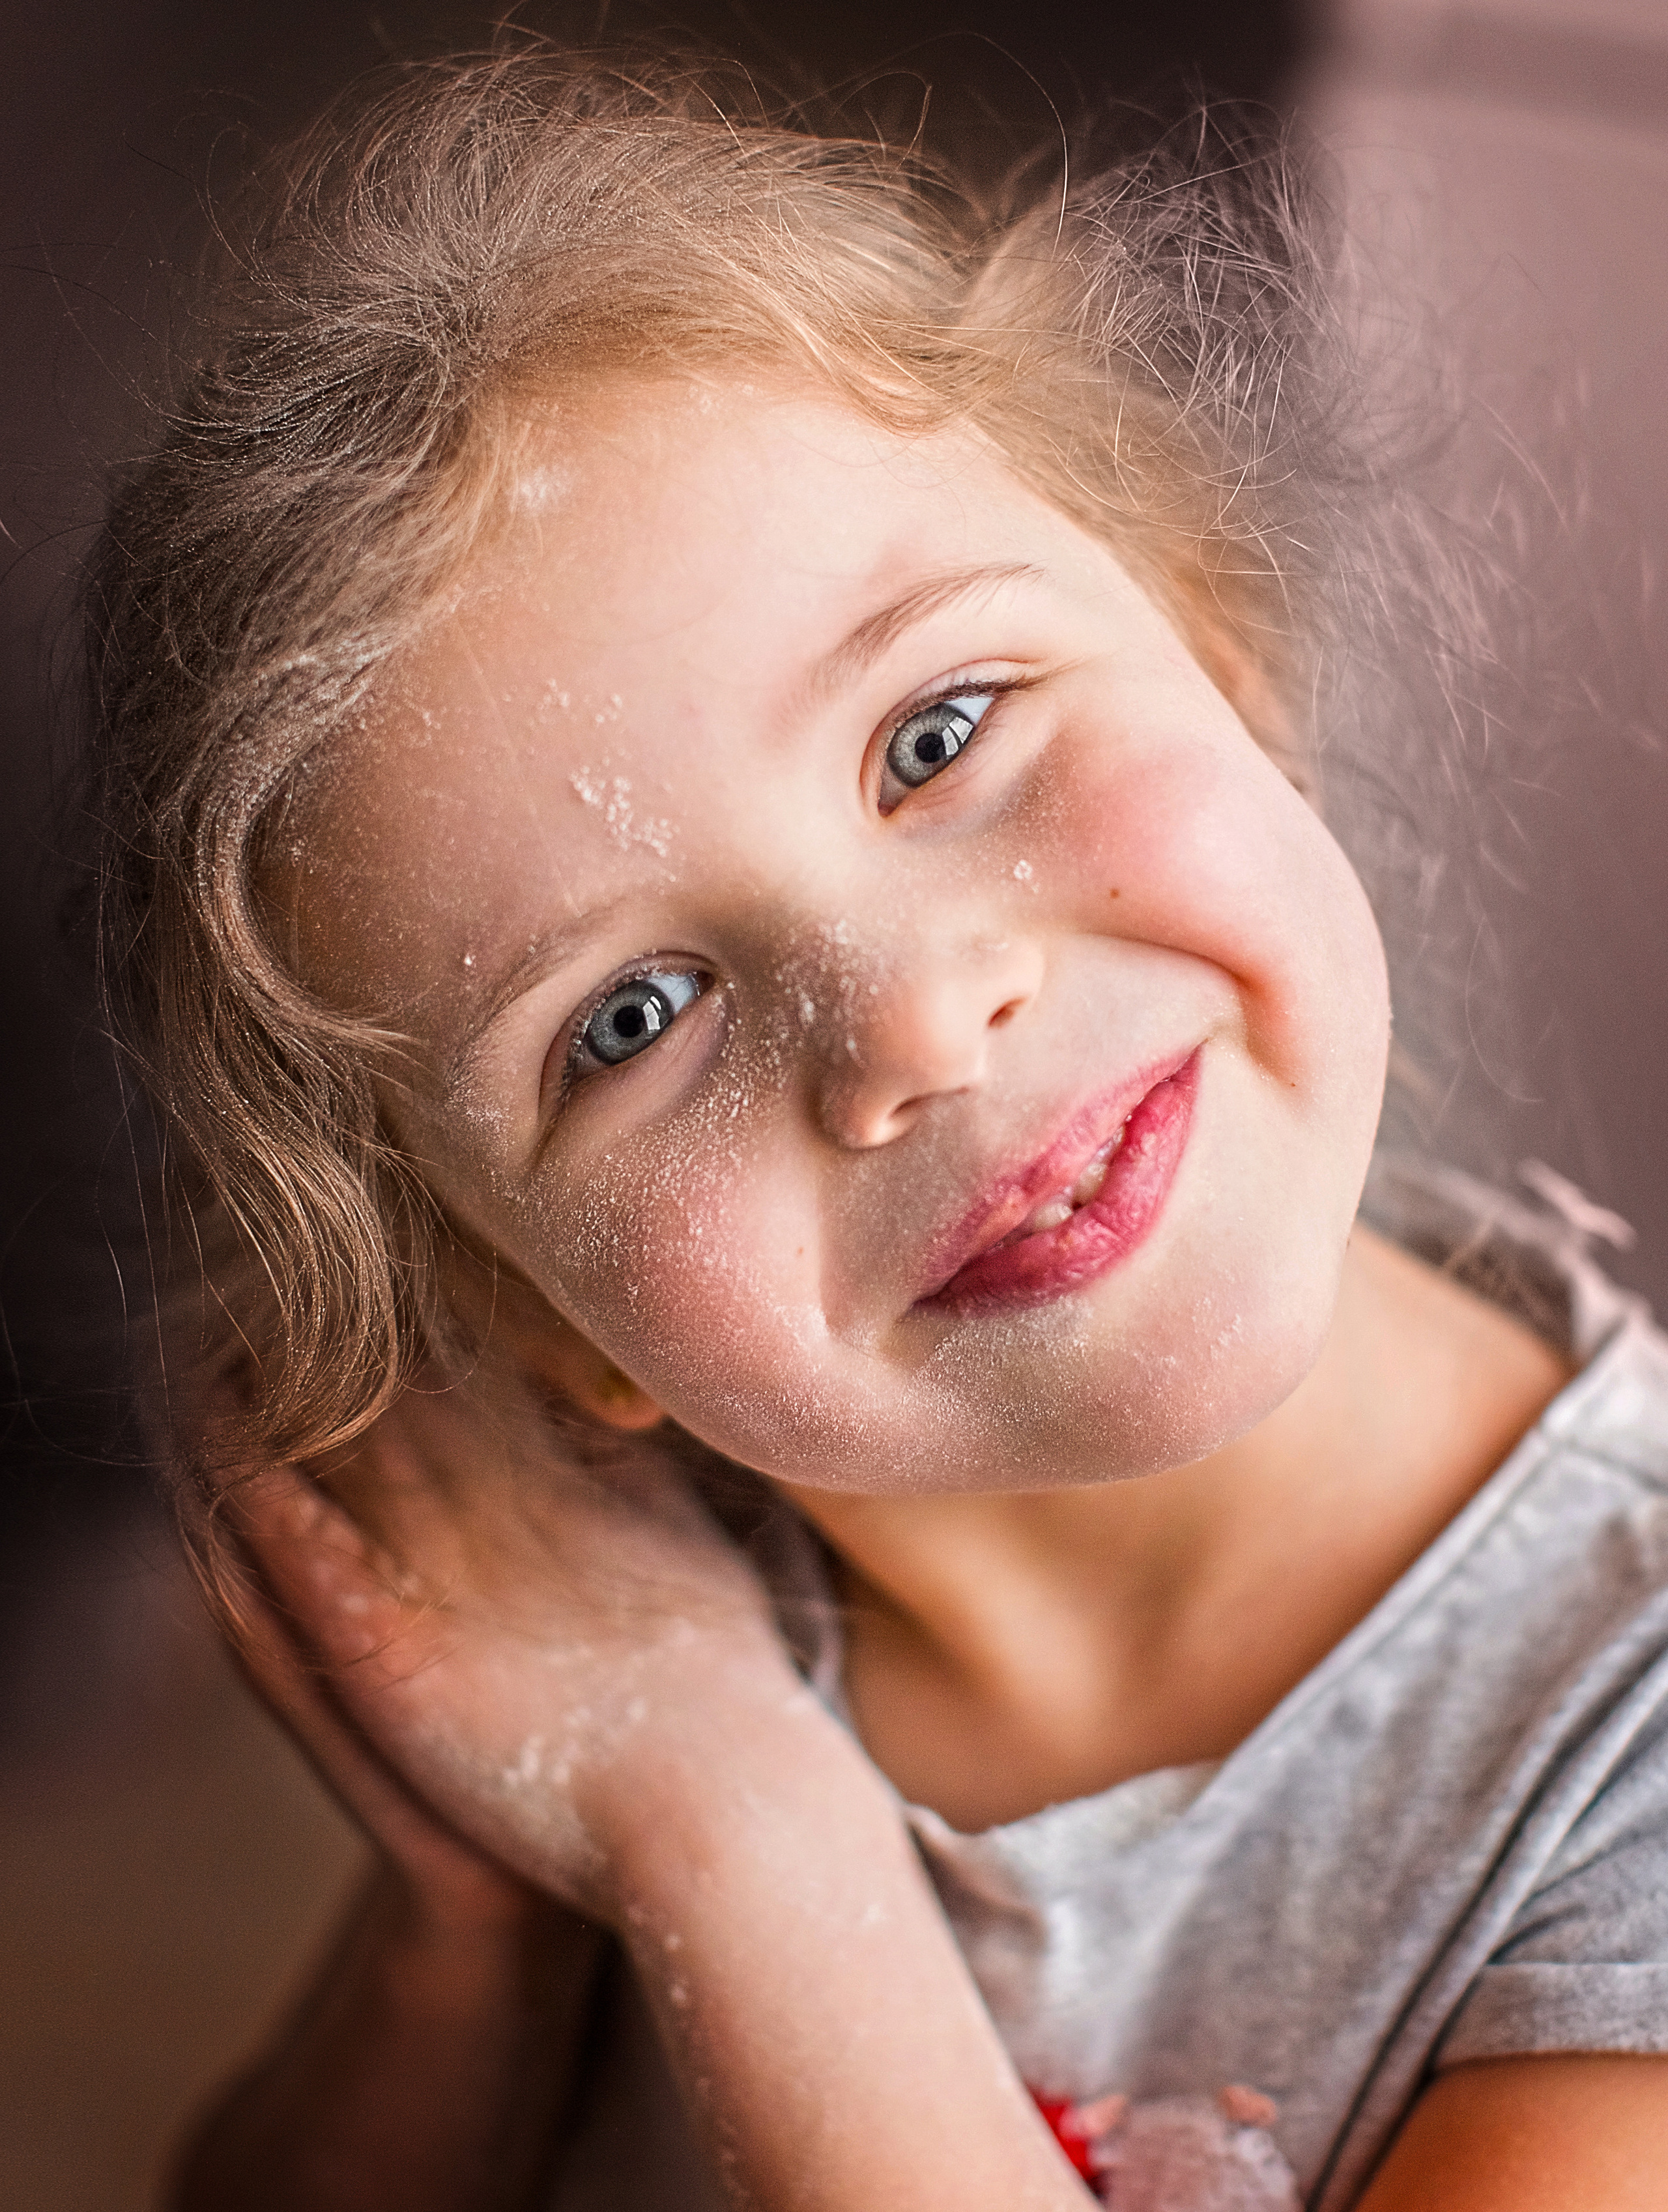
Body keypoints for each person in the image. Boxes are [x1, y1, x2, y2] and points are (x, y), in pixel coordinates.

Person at [86, 40, 1668, 2212]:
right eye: (628, 1016)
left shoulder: (1629, 1742)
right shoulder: (660, 1567)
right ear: (544, 1320)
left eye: (940, 730)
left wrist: (718, 1821)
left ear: (1219, 648)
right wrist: (475, 1920)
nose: (913, 1015)